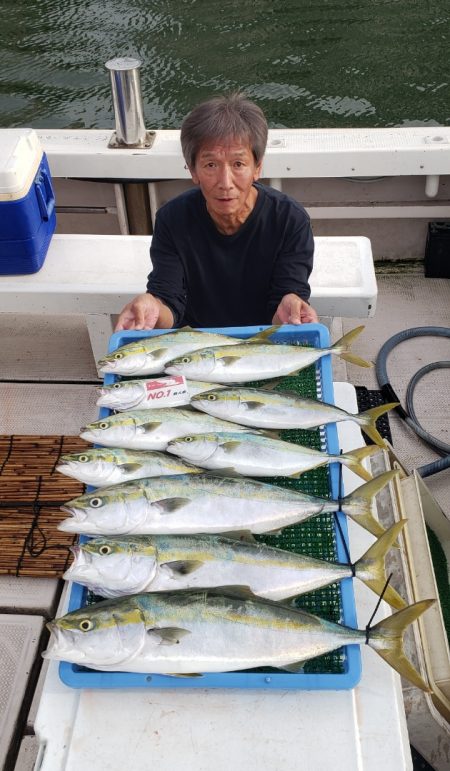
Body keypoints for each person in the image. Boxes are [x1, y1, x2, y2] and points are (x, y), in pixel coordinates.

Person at [115, 93, 318, 331]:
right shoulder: (172, 219)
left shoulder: (290, 220)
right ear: (193, 170)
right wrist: (153, 307)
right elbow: (169, 300)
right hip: (197, 339)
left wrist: (291, 306)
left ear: (257, 167)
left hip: (264, 337)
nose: (225, 182)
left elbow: (284, 299)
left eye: (238, 164)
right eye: (211, 165)